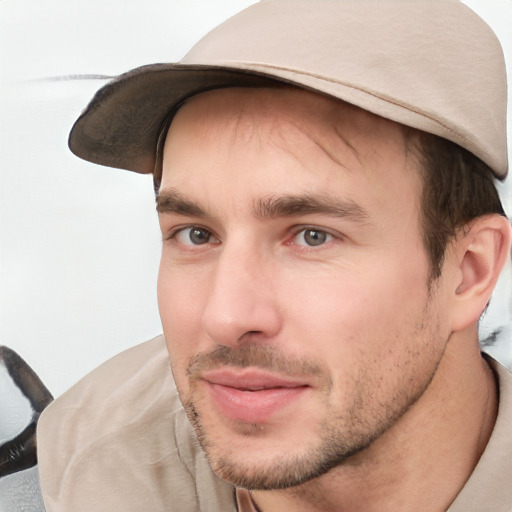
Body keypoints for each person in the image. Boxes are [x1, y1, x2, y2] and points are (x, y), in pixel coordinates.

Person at [36, 1, 512, 511]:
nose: (226, 317)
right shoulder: (78, 479)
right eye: (196, 234)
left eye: (311, 236)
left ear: (468, 272)